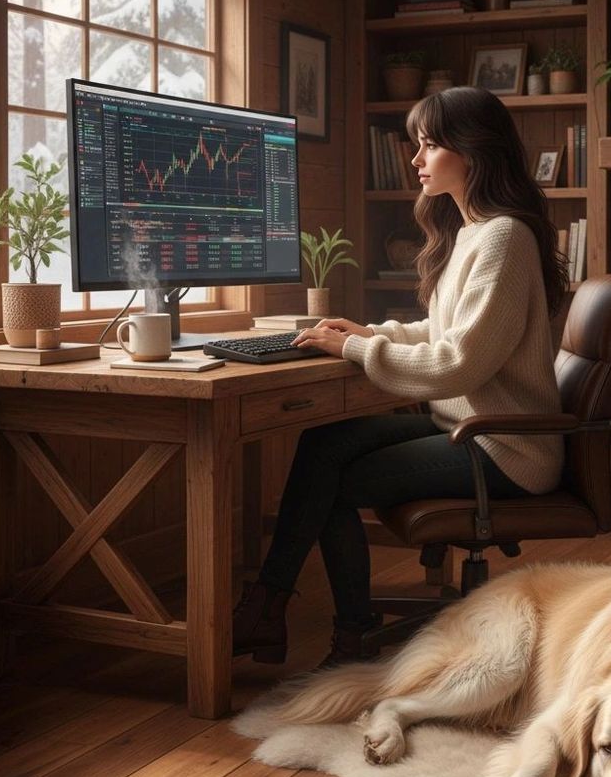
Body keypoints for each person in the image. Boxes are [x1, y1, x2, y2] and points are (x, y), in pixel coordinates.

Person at [233, 85, 569, 666]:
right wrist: (365, 334)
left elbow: (458, 362)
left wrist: (358, 353)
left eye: (431, 145)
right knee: (323, 444)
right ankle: (270, 608)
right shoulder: (473, 233)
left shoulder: (505, 238)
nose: (416, 160)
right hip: (469, 426)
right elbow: (442, 332)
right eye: (418, 145)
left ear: (474, 151)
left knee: (332, 482)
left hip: (505, 446)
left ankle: (343, 633)